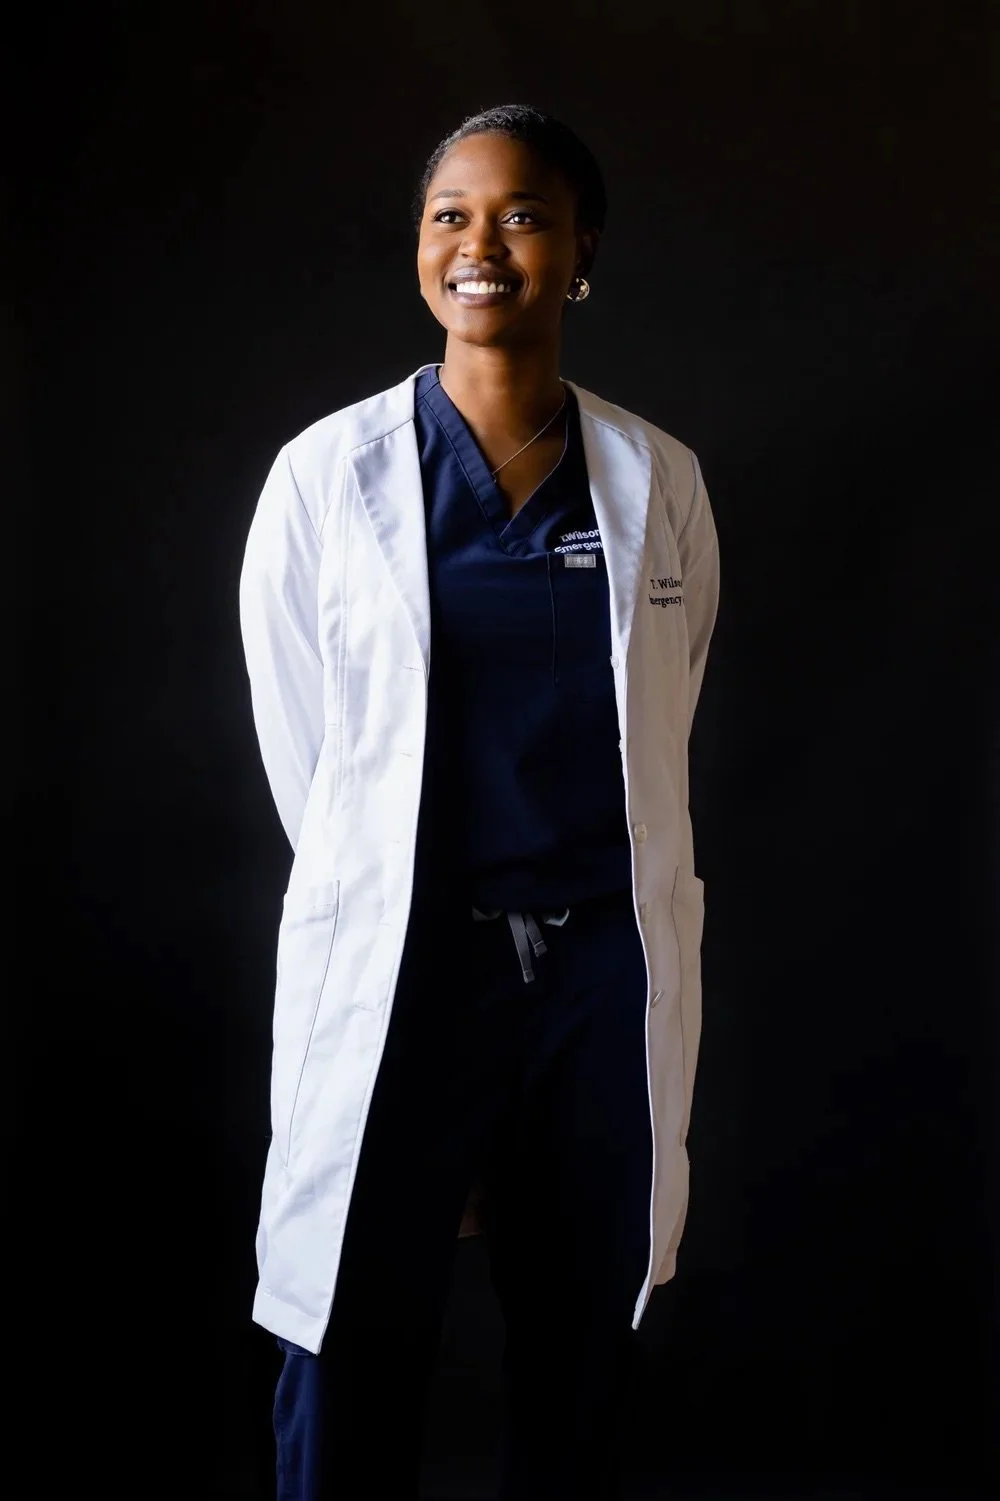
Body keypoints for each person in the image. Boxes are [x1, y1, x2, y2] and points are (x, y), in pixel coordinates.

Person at [239, 103, 720, 1501]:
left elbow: (669, 708)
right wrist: (389, 892)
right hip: (411, 965)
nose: (481, 244)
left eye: (521, 214)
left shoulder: (656, 481)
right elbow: (306, 746)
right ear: (420, 247)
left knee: (578, 1348)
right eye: (452, 214)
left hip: (592, 973)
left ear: (580, 252)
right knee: (352, 1336)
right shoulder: (327, 480)